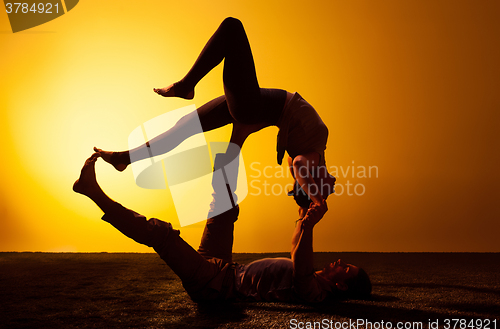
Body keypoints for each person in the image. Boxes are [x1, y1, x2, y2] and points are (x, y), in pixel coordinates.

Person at [95, 17, 335, 209]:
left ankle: (185, 86)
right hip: (251, 109)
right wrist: (236, 143)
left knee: (232, 28)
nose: (334, 183)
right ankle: (125, 159)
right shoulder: (307, 150)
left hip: (252, 105)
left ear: (313, 184)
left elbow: (299, 164)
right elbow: (267, 125)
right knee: (183, 127)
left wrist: (316, 200)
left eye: (328, 188)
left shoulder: (310, 156)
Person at [73, 152, 372, 302]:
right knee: (226, 204)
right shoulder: (311, 276)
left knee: (160, 234)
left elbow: (302, 263)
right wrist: (304, 204)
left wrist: (309, 222)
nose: (339, 262)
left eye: (346, 269)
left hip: (214, 286)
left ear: (342, 285)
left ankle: (92, 192)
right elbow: (297, 249)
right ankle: (232, 142)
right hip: (223, 267)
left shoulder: (317, 293)